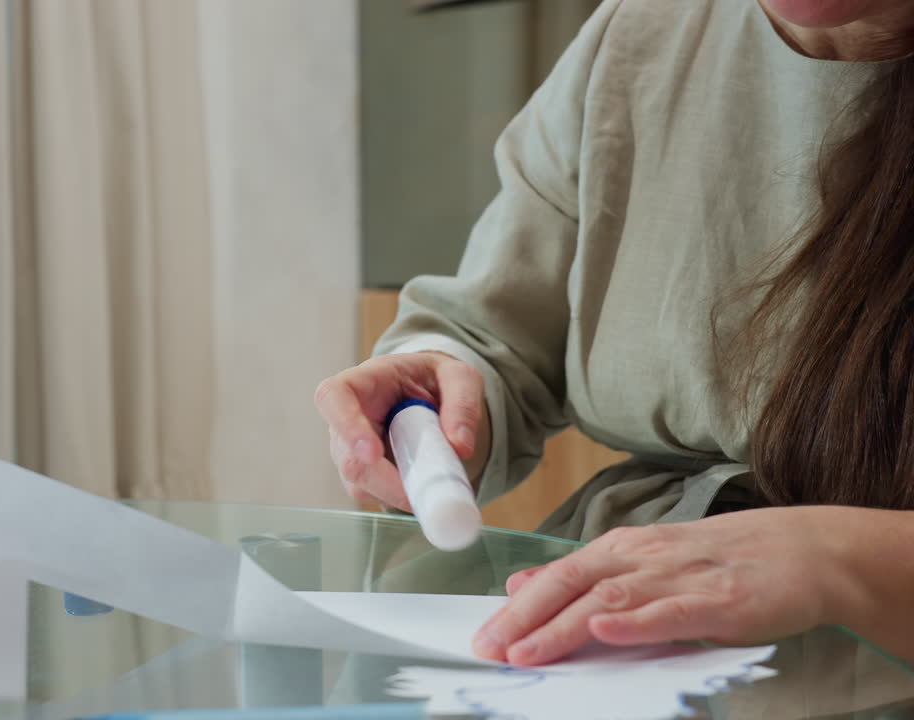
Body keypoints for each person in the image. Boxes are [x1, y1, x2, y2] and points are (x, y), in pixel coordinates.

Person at [315, 0, 914, 667]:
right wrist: (439, 385)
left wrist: (840, 559)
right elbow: (494, 329)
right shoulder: (640, 32)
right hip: (601, 643)